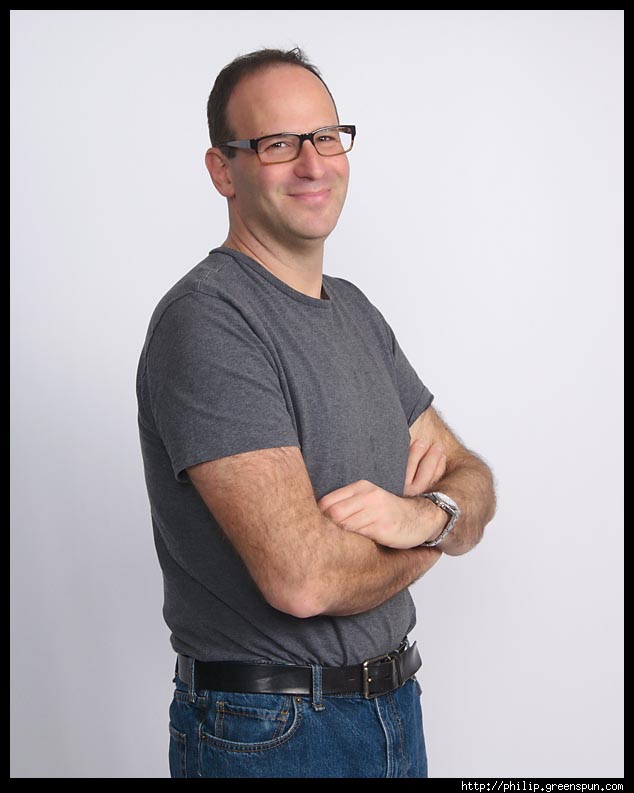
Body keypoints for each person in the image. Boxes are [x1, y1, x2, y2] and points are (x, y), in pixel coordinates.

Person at [136, 46, 496, 779]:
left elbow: (471, 477)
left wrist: (422, 513)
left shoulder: (356, 312)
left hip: (394, 708)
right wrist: (436, 530)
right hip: (272, 732)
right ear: (223, 170)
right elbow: (303, 580)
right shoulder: (209, 321)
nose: (313, 164)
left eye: (326, 137)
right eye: (278, 143)